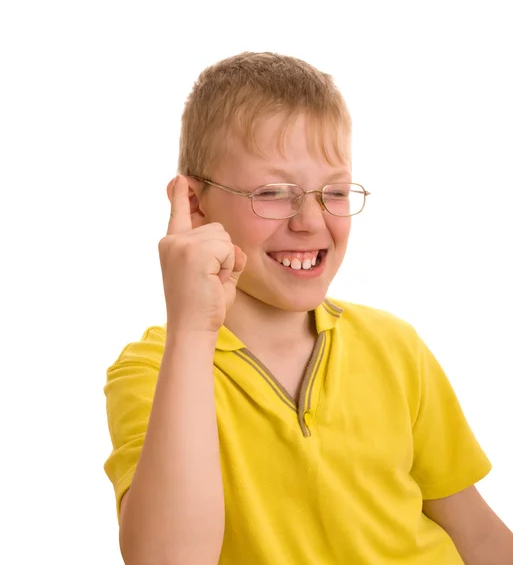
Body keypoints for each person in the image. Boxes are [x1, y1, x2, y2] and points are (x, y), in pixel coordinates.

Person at [103, 52, 498, 565]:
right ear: (195, 205)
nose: (311, 220)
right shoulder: (154, 370)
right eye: (273, 193)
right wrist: (193, 330)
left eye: (333, 191)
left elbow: (477, 533)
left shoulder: (395, 346)